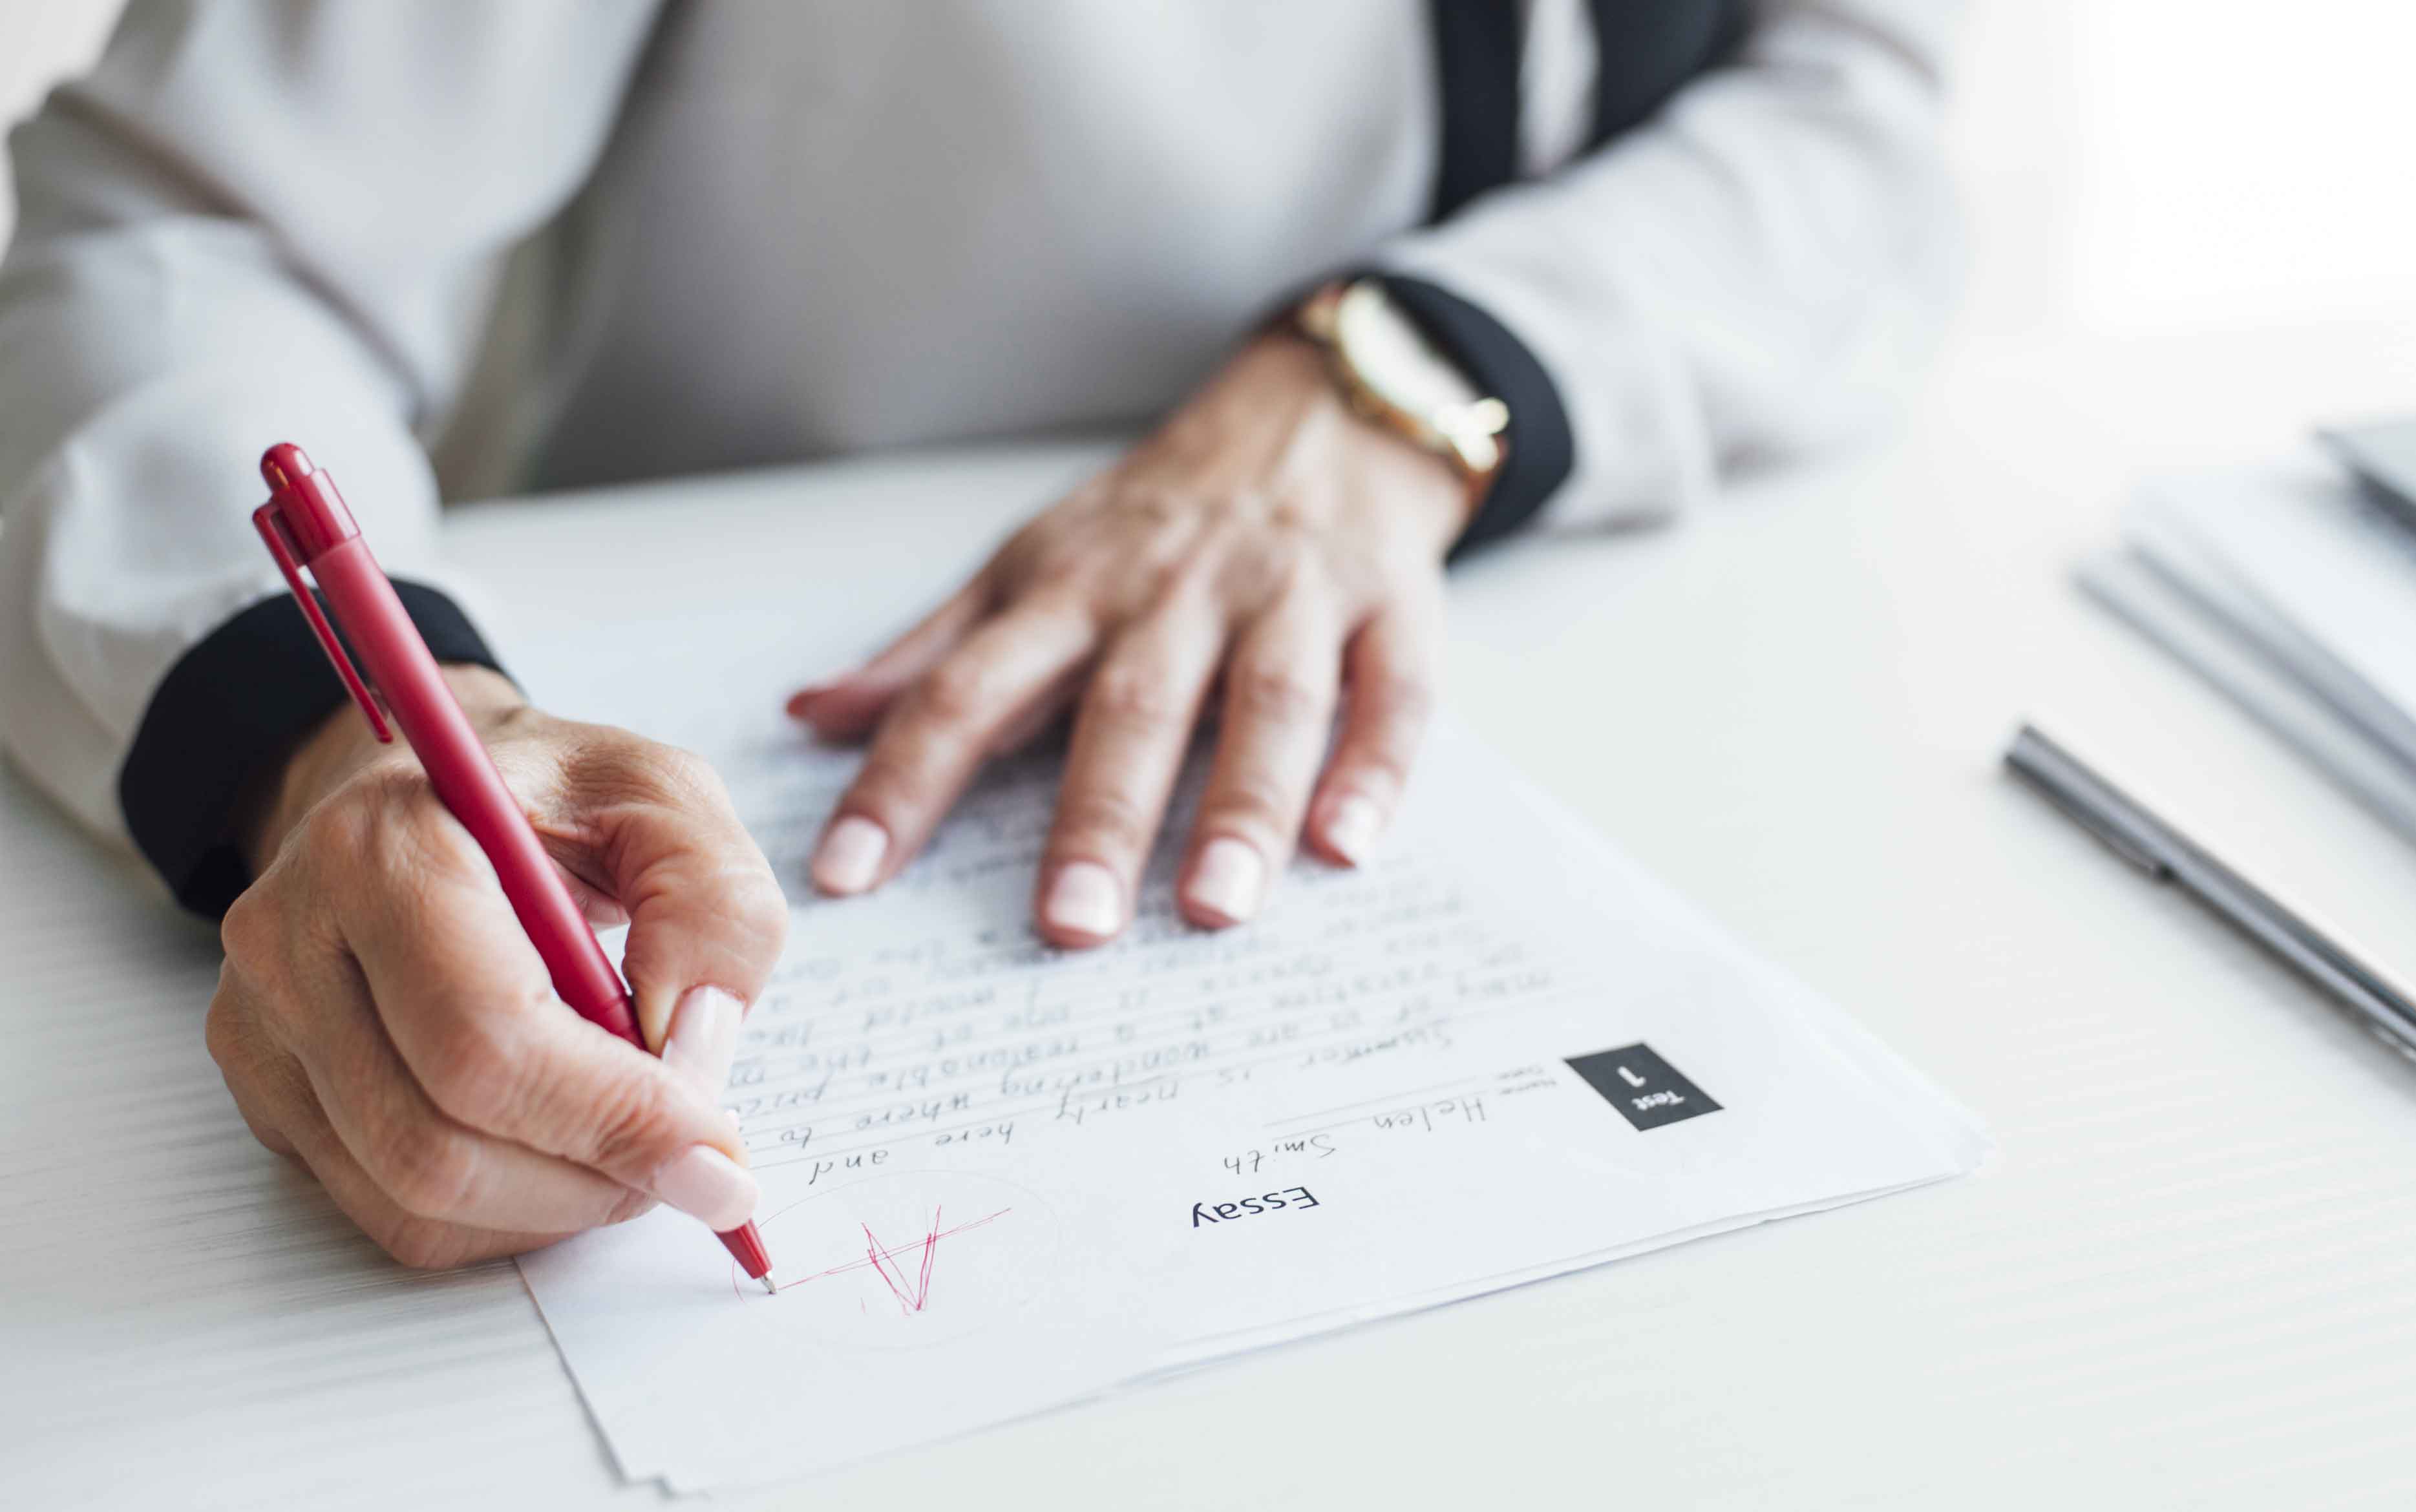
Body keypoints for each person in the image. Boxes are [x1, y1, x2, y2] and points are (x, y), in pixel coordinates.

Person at [0, 0, 1961, 1268]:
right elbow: (187, 239)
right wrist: (343, 738)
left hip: (1618, 644)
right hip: (747, 665)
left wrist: (1406, 374)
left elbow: (1862, 111)